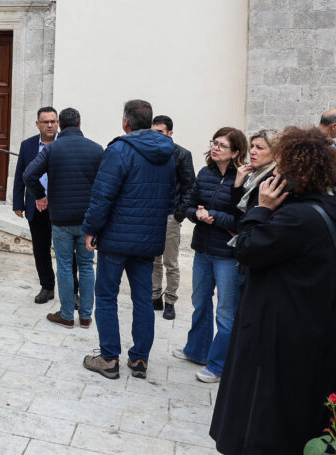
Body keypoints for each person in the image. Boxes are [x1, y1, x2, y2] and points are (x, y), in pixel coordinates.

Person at [211, 127, 336, 455]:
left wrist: (262, 208)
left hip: (278, 347)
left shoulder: (298, 218)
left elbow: (247, 249)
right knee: (298, 435)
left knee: (261, 438)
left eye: (281, 166)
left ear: (296, 170)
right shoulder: (334, 213)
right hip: (313, 342)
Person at [81, 99, 174, 381]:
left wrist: (91, 229)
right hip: (147, 239)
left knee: (106, 296)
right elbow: (170, 195)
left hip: (116, 238)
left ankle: (109, 358)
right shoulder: (167, 153)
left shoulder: (119, 149)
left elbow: (102, 196)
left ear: (126, 122)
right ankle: (140, 358)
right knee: (143, 298)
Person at [173, 127, 248, 383]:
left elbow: (242, 221)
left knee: (225, 312)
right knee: (200, 301)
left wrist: (212, 217)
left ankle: (218, 366)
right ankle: (197, 351)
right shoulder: (206, 173)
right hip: (203, 248)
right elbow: (189, 205)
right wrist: (197, 214)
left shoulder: (244, 178)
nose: (215, 148)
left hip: (227, 253)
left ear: (235, 152)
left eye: (222, 145)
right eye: (214, 143)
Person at [23, 107, 102, 329]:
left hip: (61, 219)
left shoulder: (52, 149)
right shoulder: (96, 149)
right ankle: (85, 316)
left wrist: (41, 195)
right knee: (86, 266)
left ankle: (67, 315)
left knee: (65, 266)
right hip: (87, 219)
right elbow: (105, 184)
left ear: (61, 125)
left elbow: (29, 175)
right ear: (79, 124)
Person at [150, 115, 195, 321]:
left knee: (170, 262)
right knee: (153, 260)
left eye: (160, 132)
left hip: (170, 216)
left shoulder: (182, 154)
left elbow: (189, 187)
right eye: (153, 132)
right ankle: (155, 296)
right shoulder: (150, 153)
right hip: (152, 215)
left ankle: (170, 300)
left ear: (170, 133)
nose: (156, 135)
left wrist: (178, 215)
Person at [12, 107, 59, 304]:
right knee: (40, 249)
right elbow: (20, 176)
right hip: (36, 206)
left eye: (53, 121)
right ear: (37, 124)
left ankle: (73, 291)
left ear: (58, 123)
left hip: (60, 207)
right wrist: (18, 203)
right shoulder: (27, 145)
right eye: (45, 122)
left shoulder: (64, 144)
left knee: (67, 252)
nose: (50, 125)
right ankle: (47, 287)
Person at [231, 129, 277, 216]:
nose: (252, 151)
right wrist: (237, 184)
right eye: (252, 146)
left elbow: (243, 217)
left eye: (259, 148)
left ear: (274, 153)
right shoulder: (254, 175)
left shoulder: (270, 179)